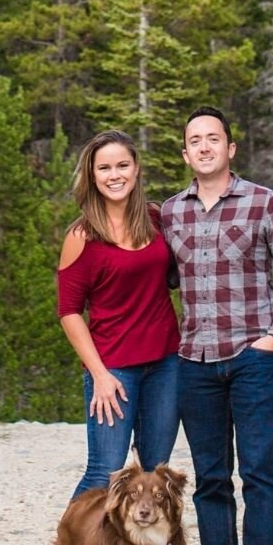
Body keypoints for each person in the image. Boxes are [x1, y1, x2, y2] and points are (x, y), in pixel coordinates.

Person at [161, 107, 273, 545]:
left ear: (230, 148)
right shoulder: (170, 213)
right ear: (185, 153)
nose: (204, 147)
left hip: (253, 358)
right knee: (210, 480)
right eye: (194, 140)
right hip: (194, 362)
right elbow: (154, 279)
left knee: (260, 475)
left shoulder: (263, 202)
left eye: (213, 138)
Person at [57, 129, 181, 498]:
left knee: (152, 473)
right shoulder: (81, 237)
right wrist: (99, 375)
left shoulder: (156, 219)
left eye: (123, 165)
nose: (115, 175)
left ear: (137, 168)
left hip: (166, 364)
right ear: (93, 175)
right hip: (114, 370)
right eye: (105, 167)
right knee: (104, 473)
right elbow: (69, 312)